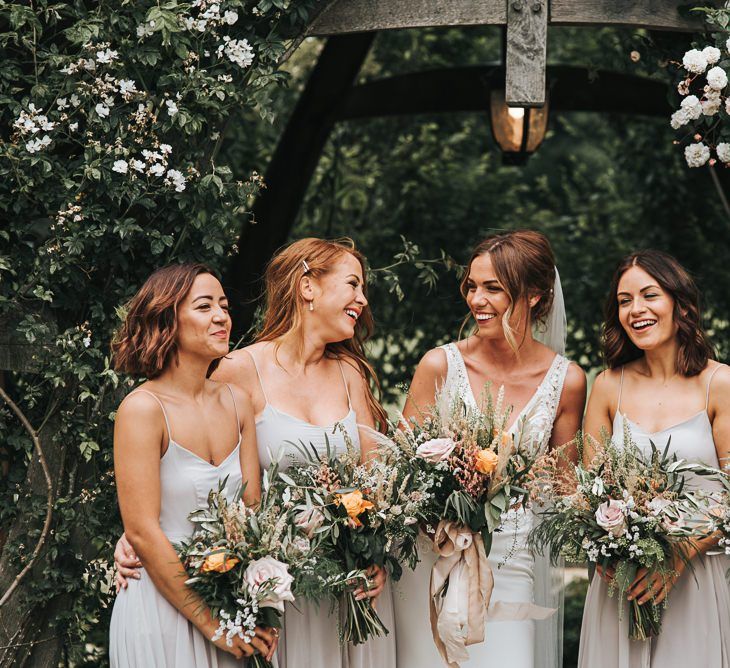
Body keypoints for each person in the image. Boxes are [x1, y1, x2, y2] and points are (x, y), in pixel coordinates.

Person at [115, 239, 395, 667]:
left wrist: (375, 548)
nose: (362, 299)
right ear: (308, 287)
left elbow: (252, 503)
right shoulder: (235, 375)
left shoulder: (342, 374)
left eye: (224, 306)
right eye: (353, 284)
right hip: (261, 593)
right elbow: (173, 488)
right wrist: (140, 532)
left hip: (328, 580)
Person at [394, 230, 586, 668]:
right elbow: (399, 473)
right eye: (472, 286)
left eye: (493, 288)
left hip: (511, 567)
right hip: (433, 561)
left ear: (535, 295)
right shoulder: (439, 365)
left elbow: (564, 487)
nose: (476, 299)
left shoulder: (567, 381)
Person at [109, 263, 276, 667]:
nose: (221, 315)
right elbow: (143, 532)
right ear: (167, 320)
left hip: (233, 603)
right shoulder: (142, 409)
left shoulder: (238, 401)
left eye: (223, 305)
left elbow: (252, 511)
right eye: (204, 306)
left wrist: (253, 606)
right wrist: (212, 624)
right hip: (163, 608)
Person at [578, 249, 730, 667]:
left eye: (649, 295)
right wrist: (608, 545)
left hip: (698, 578)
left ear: (680, 304)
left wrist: (680, 554)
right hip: (622, 584)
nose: (636, 310)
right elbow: (589, 489)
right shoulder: (609, 386)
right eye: (624, 301)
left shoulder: (719, 383)